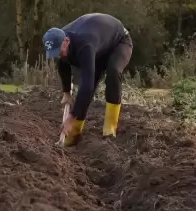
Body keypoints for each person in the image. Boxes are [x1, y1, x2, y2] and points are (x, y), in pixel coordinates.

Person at [43, 13, 133, 146]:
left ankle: (110, 130)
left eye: (59, 51)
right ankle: (74, 133)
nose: (58, 55)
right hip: (98, 45)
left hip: (119, 41)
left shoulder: (84, 44)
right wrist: (66, 93)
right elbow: (63, 64)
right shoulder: (58, 38)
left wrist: (70, 118)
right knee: (88, 82)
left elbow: (88, 87)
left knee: (112, 72)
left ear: (67, 41)